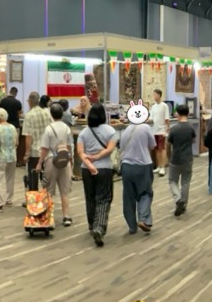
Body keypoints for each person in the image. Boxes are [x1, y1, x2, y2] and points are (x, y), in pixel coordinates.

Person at [79, 106, 119, 246]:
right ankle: (99, 227)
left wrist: (89, 163)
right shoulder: (110, 131)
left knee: (90, 197)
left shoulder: (83, 132)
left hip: (86, 169)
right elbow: (110, 149)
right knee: (104, 198)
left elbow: (80, 152)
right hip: (104, 168)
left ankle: (92, 224)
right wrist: (97, 157)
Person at [34, 102, 75, 228]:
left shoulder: (49, 129)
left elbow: (44, 148)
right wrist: (70, 159)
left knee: (48, 191)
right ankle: (66, 216)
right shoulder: (67, 128)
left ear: (51, 114)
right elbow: (69, 146)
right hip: (64, 160)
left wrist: (39, 163)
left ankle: (49, 218)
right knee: (65, 191)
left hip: (51, 160)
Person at [119, 109, 157, 234]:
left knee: (128, 196)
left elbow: (121, 147)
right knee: (146, 193)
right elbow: (152, 145)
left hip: (126, 166)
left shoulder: (126, 130)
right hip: (143, 165)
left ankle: (132, 226)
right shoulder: (145, 127)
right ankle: (143, 219)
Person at [166, 104, 197, 217]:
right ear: (188, 114)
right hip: (188, 158)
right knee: (185, 182)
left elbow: (168, 144)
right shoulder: (191, 127)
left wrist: (168, 156)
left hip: (176, 158)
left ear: (177, 114)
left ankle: (178, 199)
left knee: (172, 181)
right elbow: (193, 141)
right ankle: (183, 204)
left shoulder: (174, 128)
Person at [22, 95, 54, 200]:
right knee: (46, 178)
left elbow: (28, 136)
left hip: (35, 152)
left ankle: (34, 202)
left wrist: (27, 153)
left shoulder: (29, 115)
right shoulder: (46, 113)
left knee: (33, 178)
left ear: (30, 102)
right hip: (47, 151)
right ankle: (46, 200)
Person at [149, 90, 171, 176]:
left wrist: (167, 129)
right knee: (157, 149)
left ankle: (163, 167)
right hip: (154, 130)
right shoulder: (153, 107)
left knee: (162, 149)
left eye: (155, 94)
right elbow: (151, 118)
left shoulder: (164, 106)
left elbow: (167, 119)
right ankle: (158, 165)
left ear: (159, 95)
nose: (154, 96)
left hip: (162, 130)